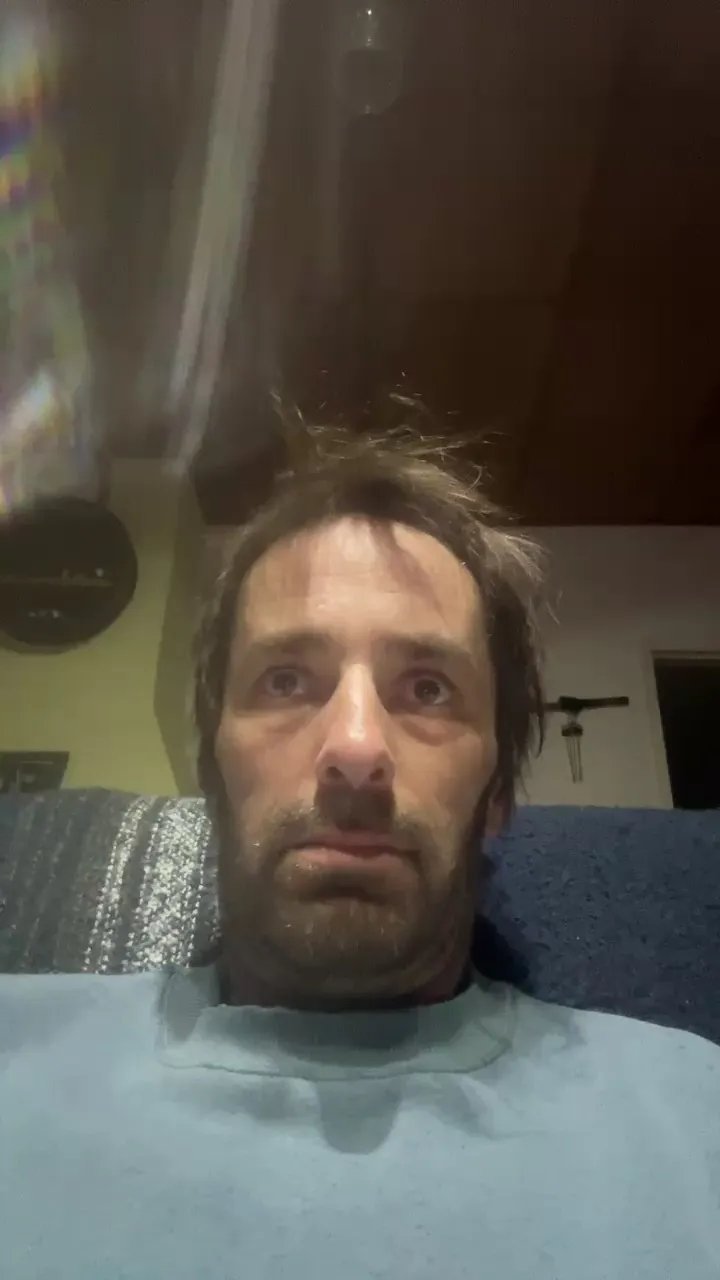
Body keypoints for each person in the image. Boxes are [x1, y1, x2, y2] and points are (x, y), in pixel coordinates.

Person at [1, 428, 719, 1280]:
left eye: (427, 688)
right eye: (285, 680)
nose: (355, 747)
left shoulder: (694, 1115)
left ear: (497, 791)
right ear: (213, 771)